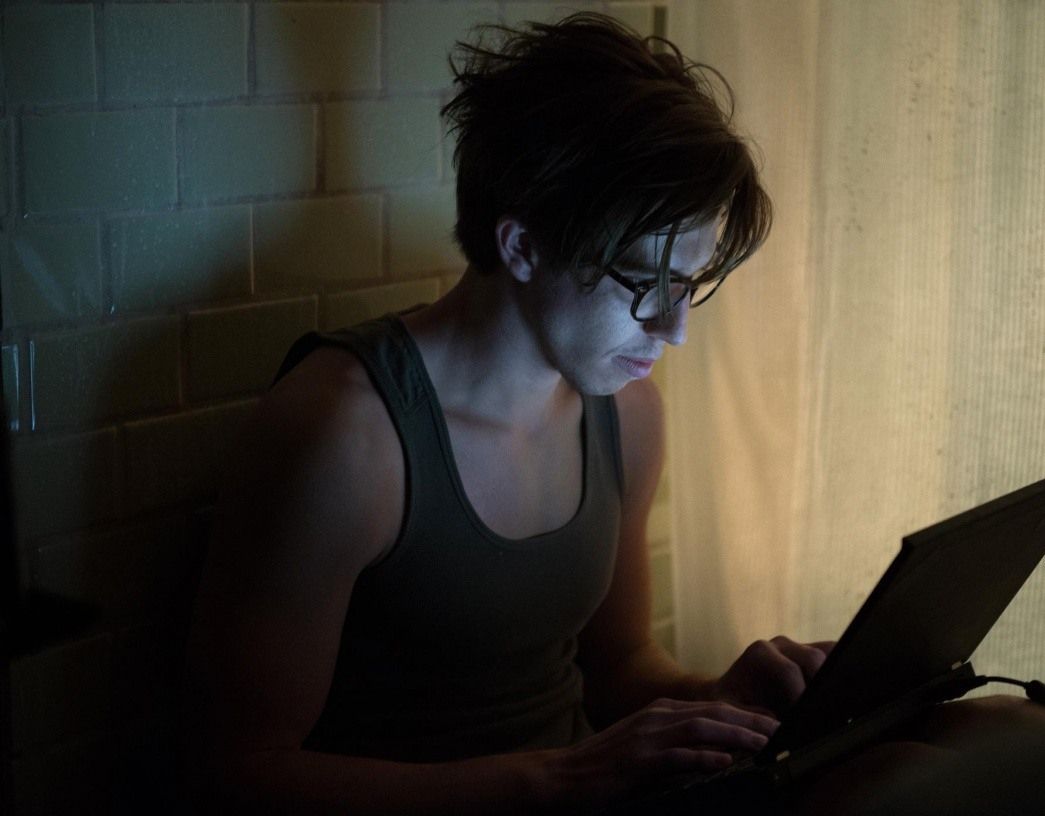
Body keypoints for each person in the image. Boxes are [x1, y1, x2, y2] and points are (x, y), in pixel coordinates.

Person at [183, 13, 1045, 815]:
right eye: (644, 282)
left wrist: (719, 698)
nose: (674, 328)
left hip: (594, 790)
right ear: (522, 245)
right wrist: (559, 776)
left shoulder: (626, 412)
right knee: (895, 790)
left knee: (1005, 730)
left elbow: (621, 667)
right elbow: (242, 771)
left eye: (690, 283)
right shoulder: (343, 433)